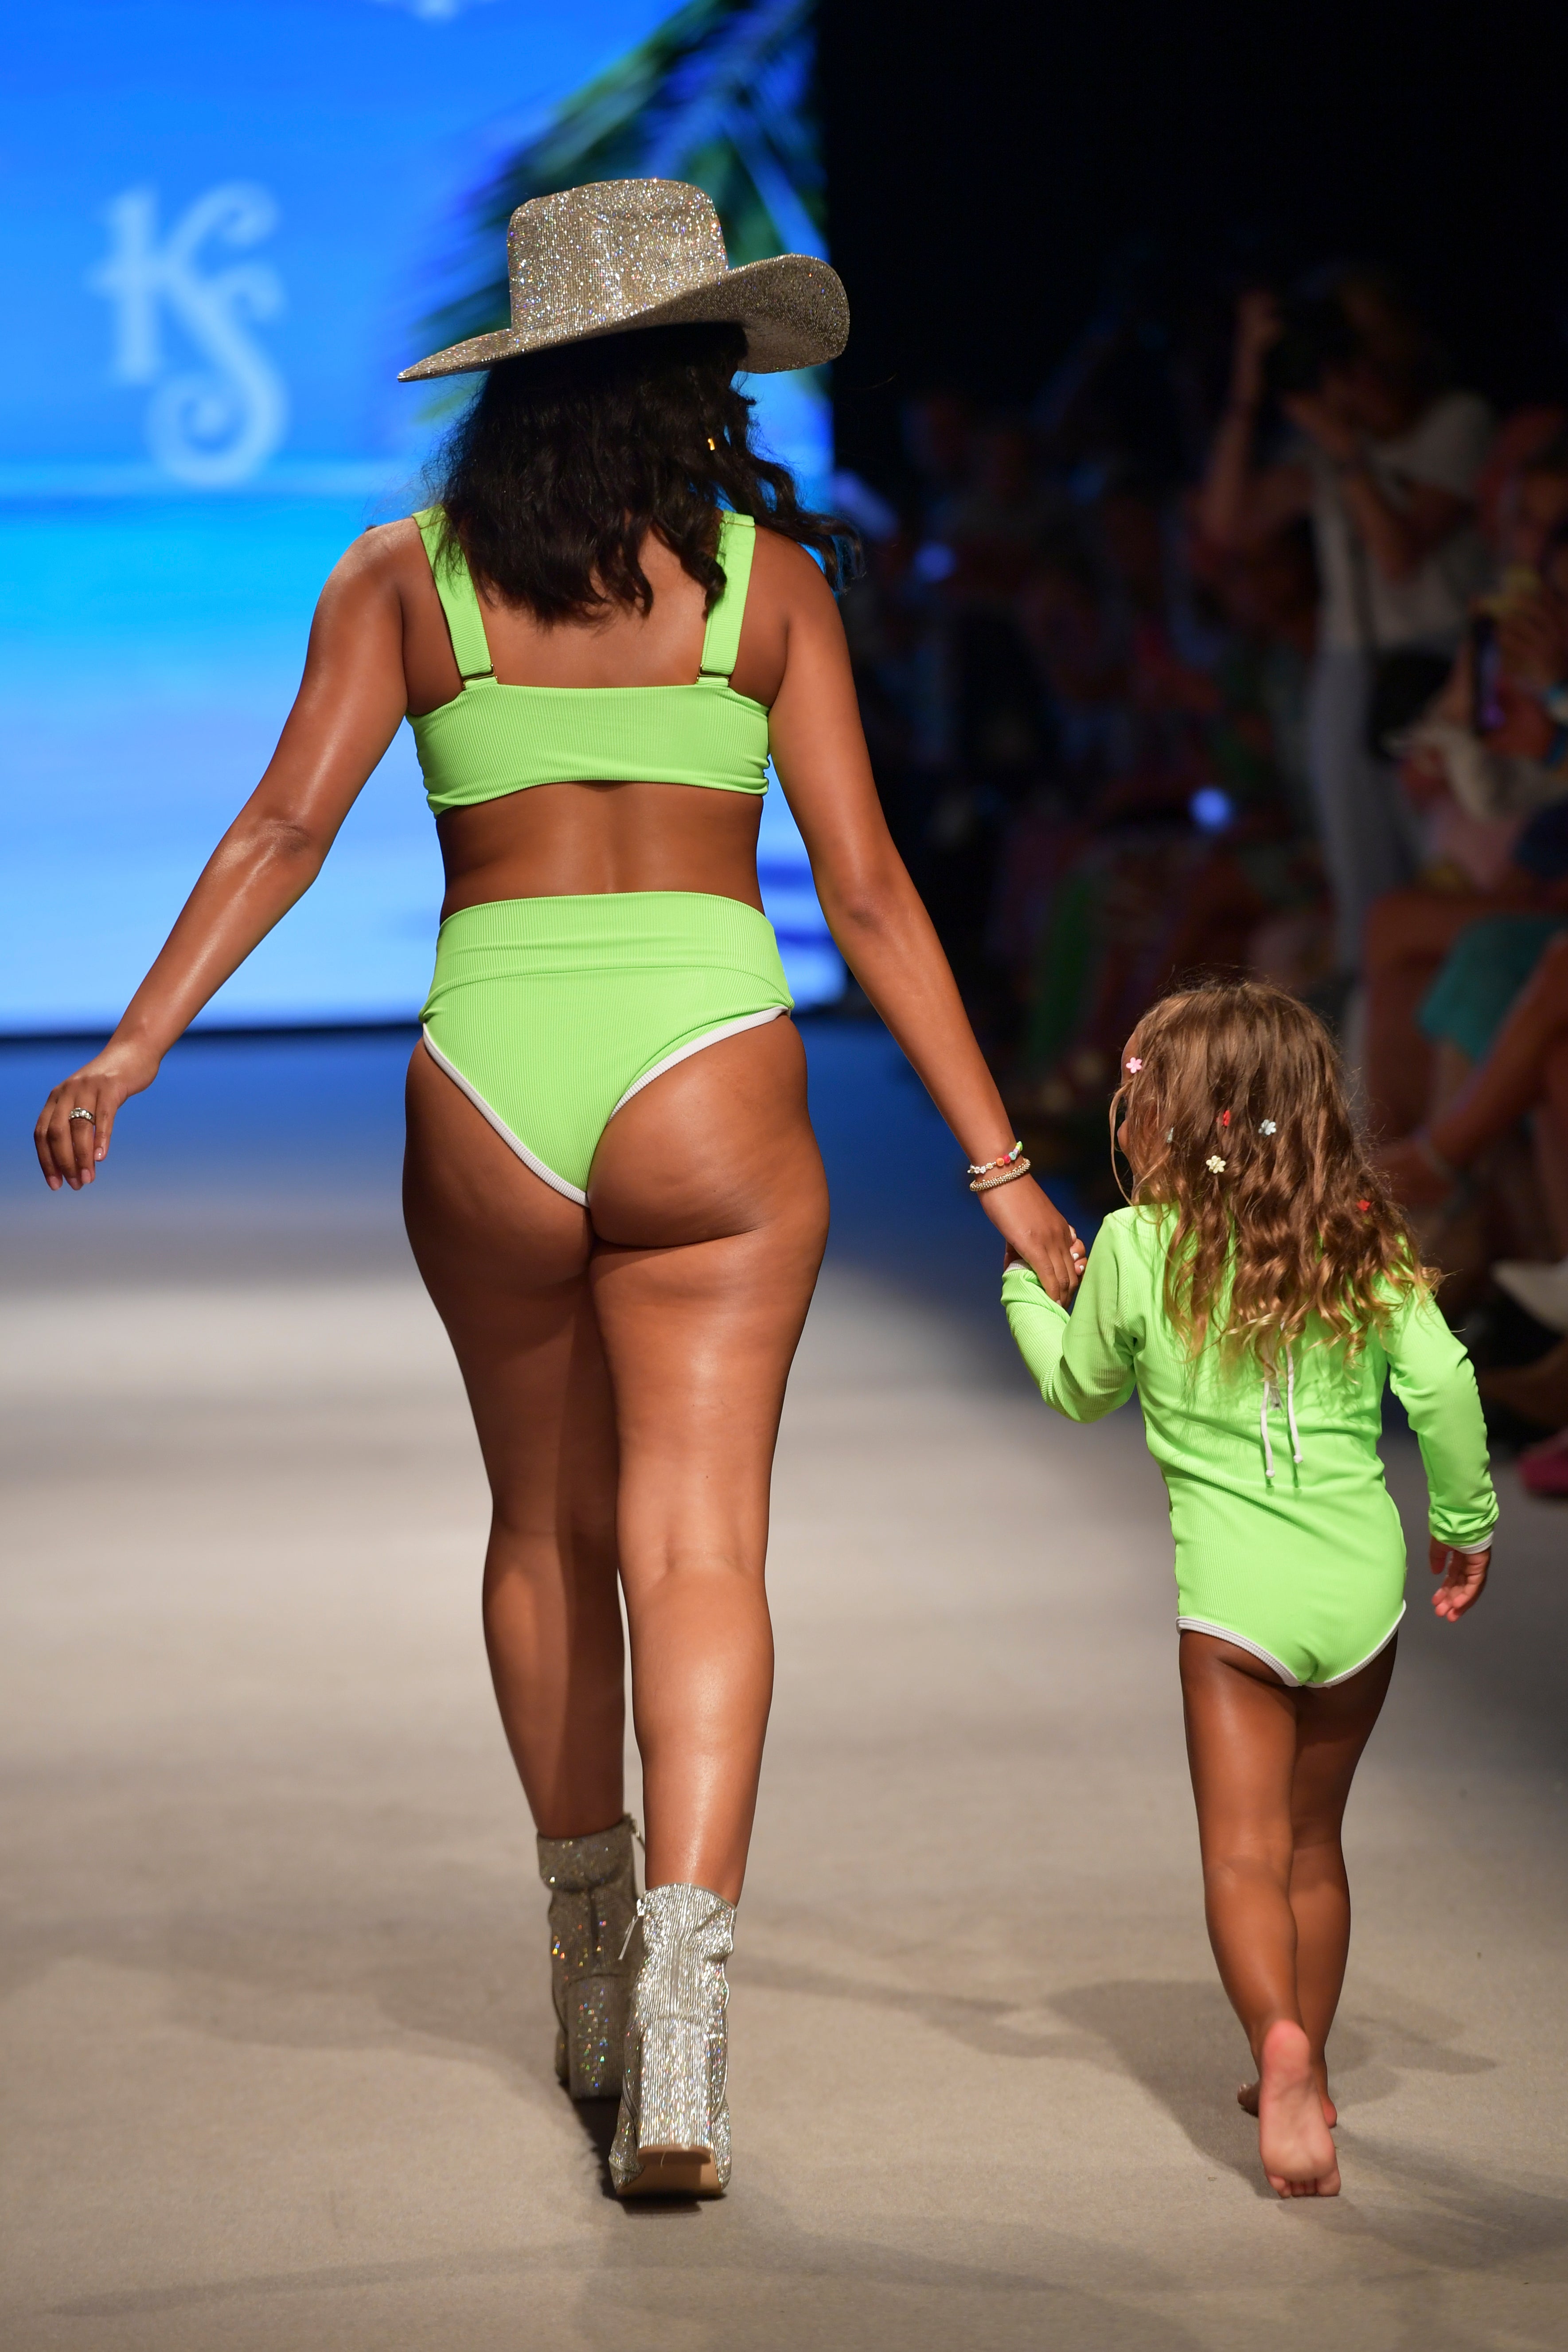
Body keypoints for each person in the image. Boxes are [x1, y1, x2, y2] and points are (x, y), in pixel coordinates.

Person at [32, 180, 1086, 2199]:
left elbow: (280, 829)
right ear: (698, 378)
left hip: (489, 1083)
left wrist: (134, 1046)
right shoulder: (765, 588)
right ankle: (683, 2032)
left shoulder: (403, 577)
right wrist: (1000, 1171)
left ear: (511, 385)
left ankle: (588, 1972)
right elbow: (867, 895)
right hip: (708, 1073)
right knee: (698, 1549)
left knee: (542, 1526)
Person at [1001, 981, 1495, 2196]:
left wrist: (1024, 1287)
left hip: (1231, 1606)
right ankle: (1311, 2067)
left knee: (1241, 1851)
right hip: (1361, 1590)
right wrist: (1464, 1521)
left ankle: (1274, 2042)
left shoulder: (1137, 1247)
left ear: (1169, 1118)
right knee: (1315, 1842)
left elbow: (1078, 1390)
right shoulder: (1361, 1240)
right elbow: (1441, 1383)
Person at [1200, 272, 1494, 975]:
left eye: (1364, 337)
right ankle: (1372, 1013)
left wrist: (1343, 450)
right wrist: (1248, 388)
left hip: (1443, 662)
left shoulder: (1456, 422)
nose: (1355, 360)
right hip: (1347, 664)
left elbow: (1397, 556)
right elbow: (1226, 525)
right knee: (1361, 871)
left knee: (1440, 860)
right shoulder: (1324, 445)